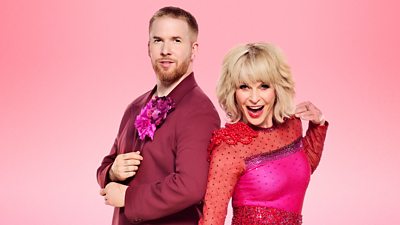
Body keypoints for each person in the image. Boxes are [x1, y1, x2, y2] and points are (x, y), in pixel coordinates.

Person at [97, 6, 220, 225]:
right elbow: (106, 164)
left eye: (176, 40)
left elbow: (190, 186)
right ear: (148, 48)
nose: (166, 50)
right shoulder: (134, 107)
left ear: (194, 50)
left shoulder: (200, 111)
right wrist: (112, 172)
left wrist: (128, 197)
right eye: (158, 40)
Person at [199, 43, 328, 225]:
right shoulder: (229, 148)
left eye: (263, 86)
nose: (254, 98)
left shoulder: (291, 125)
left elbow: (300, 169)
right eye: (244, 87)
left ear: (277, 88)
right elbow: (212, 220)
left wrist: (318, 124)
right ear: (233, 92)